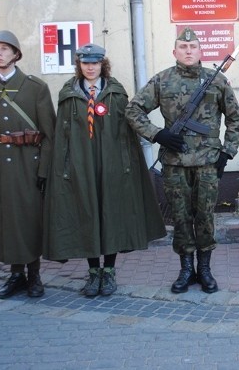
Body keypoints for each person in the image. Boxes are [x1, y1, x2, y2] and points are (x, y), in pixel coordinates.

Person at [125, 27, 239, 294]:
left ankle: (204, 269)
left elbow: (235, 117)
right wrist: (158, 135)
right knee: (180, 218)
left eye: (193, 48)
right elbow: (133, 110)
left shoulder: (217, 81)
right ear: (175, 52)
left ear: (201, 51)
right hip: (175, 163)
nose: (188, 51)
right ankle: (186, 268)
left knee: (205, 217)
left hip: (207, 163)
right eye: (183, 47)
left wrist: (228, 152)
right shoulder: (162, 80)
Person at [42, 43, 166, 297]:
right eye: (86, 63)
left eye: (95, 63)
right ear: (79, 65)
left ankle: (108, 271)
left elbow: (126, 133)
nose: (90, 67)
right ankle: (93, 272)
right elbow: (61, 136)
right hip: (80, 166)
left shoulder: (116, 94)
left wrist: (126, 164)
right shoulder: (68, 95)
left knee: (111, 216)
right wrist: (63, 168)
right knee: (86, 213)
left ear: (102, 65)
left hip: (111, 166)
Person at [0, 30, 56, 299]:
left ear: (16, 54)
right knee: (4, 220)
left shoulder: (35, 87)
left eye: (5, 49)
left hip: (27, 165)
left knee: (28, 220)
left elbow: (49, 134)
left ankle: (34, 274)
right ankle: (15, 275)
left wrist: (43, 170)